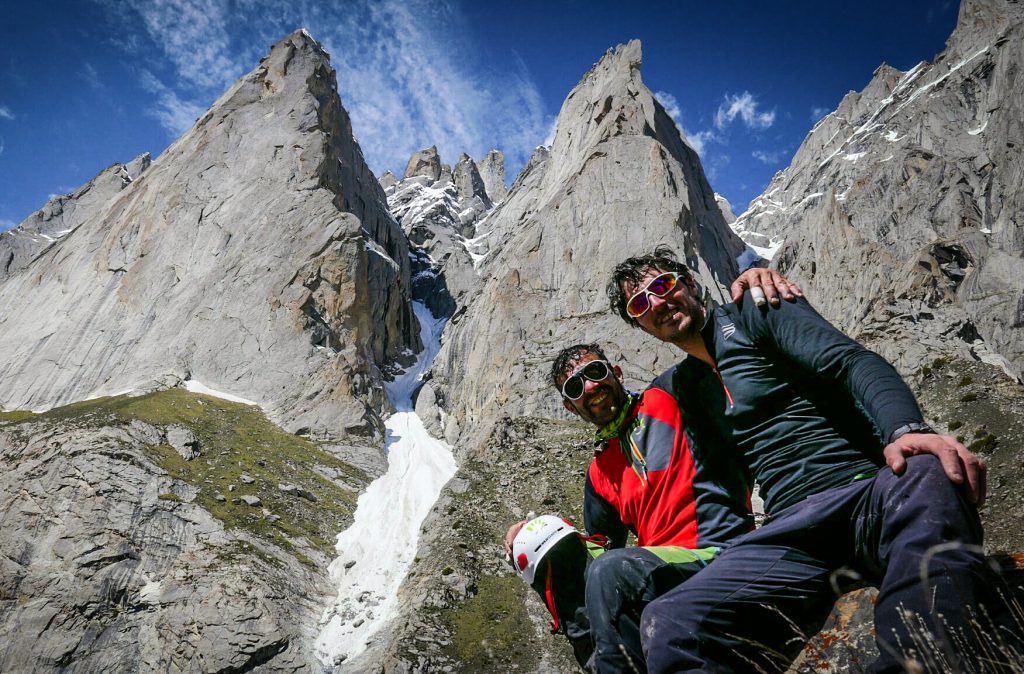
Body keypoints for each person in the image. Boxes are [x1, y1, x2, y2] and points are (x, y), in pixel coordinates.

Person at [606, 246, 1007, 673]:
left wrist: (906, 430)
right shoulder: (682, 386)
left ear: (688, 282)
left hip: (866, 492)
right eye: (640, 302)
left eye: (662, 285)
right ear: (640, 325)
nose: (657, 302)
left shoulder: (755, 311)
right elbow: (721, 484)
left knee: (927, 474)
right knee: (668, 621)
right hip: (790, 530)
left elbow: (852, 362)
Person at [502, 264, 802, 673]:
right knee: (548, 548)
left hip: (718, 551)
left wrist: (751, 284)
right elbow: (602, 546)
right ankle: (599, 661)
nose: (590, 387)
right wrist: (538, 530)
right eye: (576, 388)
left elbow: (718, 347)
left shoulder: (673, 393)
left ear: (616, 373)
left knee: (611, 572)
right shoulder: (599, 473)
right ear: (571, 406)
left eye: (595, 372)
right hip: (660, 571)